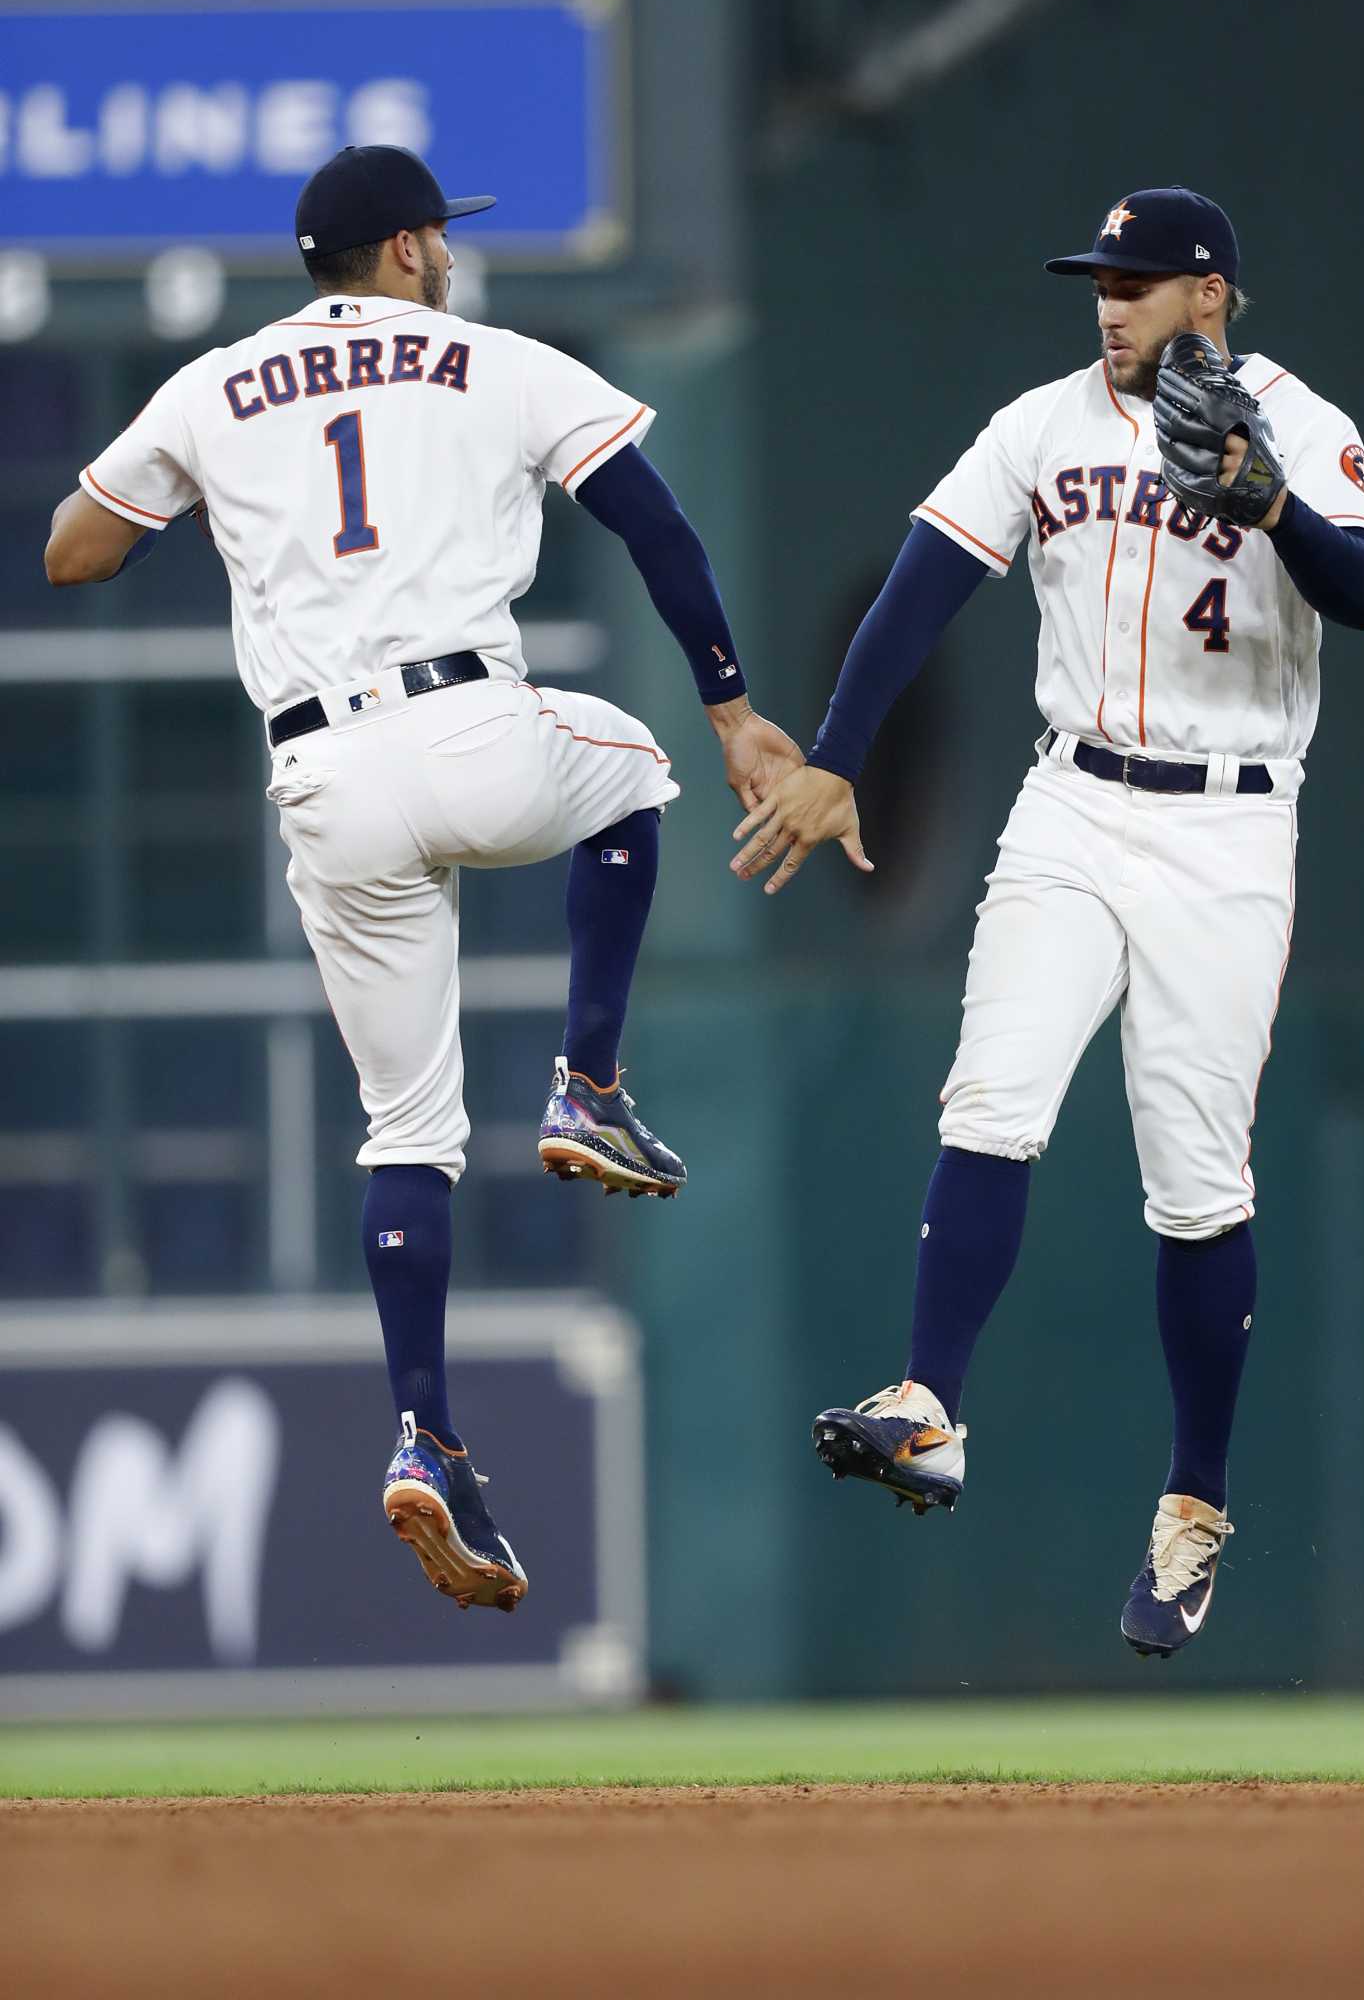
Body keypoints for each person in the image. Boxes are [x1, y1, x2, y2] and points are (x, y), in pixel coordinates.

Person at [45, 144, 801, 1612]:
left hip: (323, 779)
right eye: (436, 237)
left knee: (407, 1125)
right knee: (636, 764)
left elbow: (77, 552)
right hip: (476, 724)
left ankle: (427, 1431)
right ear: (399, 252)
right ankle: (587, 1080)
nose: (447, 255)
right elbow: (651, 516)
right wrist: (729, 706)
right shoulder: (493, 359)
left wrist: (211, 498)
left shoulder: (216, 386)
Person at [725, 187, 1364, 1657]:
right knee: (992, 1093)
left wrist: (1272, 498)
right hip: (1074, 799)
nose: (1111, 302)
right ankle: (930, 1402)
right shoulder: (1044, 424)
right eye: (1102, 278)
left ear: (1209, 295)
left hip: (1230, 822)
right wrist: (837, 752)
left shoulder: (1299, 418)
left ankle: (1194, 1505)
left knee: (1196, 1181)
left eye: (1142, 282)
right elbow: (925, 582)